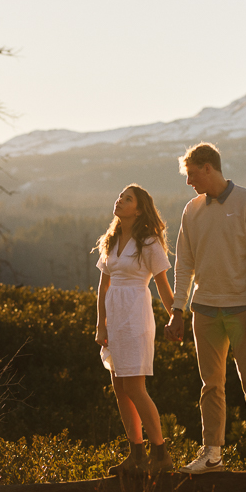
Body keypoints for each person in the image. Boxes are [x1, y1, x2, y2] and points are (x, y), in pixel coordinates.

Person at [163, 143, 246, 475]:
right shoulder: (191, 210)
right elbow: (183, 264)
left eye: (191, 175)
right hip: (205, 310)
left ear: (207, 168)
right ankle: (212, 453)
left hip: (243, 309)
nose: (189, 183)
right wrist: (178, 309)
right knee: (210, 385)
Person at [95, 184, 175, 475]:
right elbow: (103, 286)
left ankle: (161, 454)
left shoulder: (149, 242)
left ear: (139, 209)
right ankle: (136, 455)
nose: (119, 201)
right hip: (114, 317)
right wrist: (100, 323)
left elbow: (162, 284)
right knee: (119, 387)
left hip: (136, 315)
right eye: (119, 196)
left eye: (127, 199)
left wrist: (175, 316)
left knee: (134, 387)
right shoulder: (111, 240)